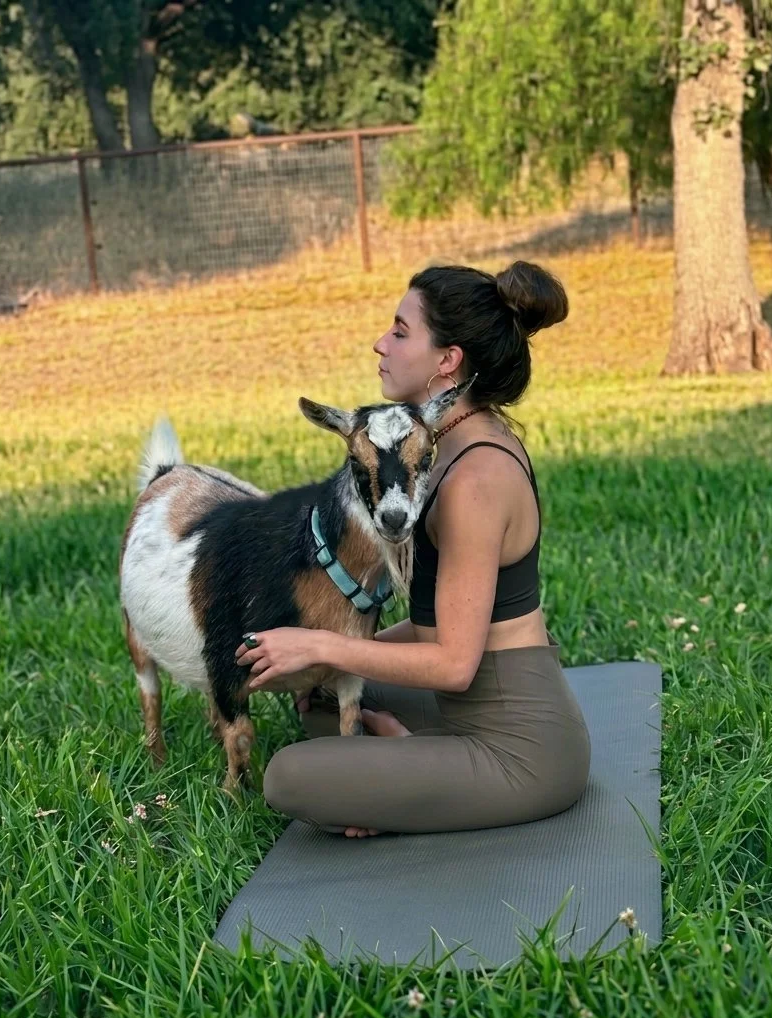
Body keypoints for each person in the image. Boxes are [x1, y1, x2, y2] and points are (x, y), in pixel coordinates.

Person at [234, 261, 590, 838]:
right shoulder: (448, 441)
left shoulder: (474, 481)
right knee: (319, 695)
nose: (381, 343)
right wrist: (321, 654)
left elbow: (452, 663)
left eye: (400, 331)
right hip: (472, 697)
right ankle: (406, 766)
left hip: (521, 751)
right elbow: (439, 630)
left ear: (447, 361)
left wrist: (322, 642)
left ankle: (407, 766)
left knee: (288, 777)